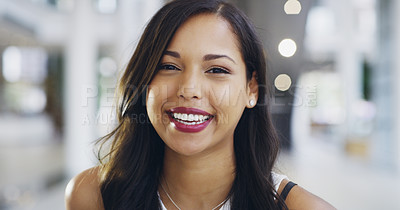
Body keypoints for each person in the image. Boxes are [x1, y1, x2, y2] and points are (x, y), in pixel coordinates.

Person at [65, 0, 335, 209]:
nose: (189, 89)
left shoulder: (301, 207)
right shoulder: (92, 196)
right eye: (168, 66)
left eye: (217, 70)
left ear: (251, 89)